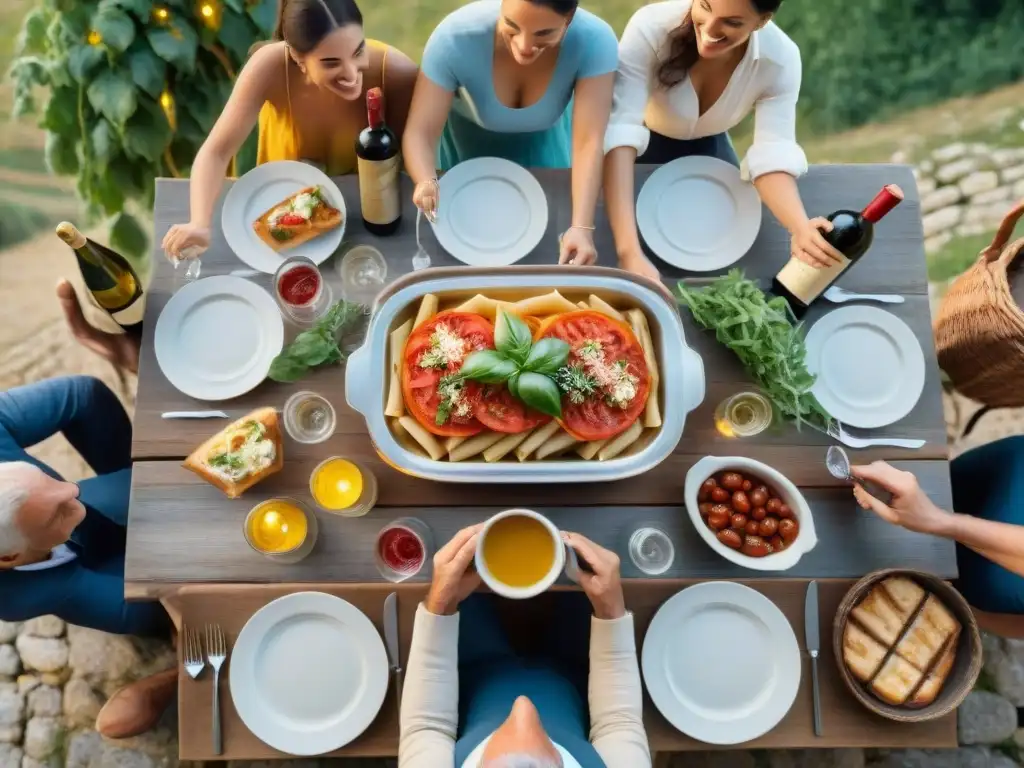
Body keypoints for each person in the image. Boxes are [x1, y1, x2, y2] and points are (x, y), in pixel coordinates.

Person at [602, 0, 843, 281]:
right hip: (638, 145)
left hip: (711, 146)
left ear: (762, 21)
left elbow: (772, 154)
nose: (710, 28)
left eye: (733, 22)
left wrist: (799, 227)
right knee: (620, 239)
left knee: (720, 254)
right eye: (704, 6)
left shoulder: (780, 59)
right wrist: (628, 252)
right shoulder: (650, 27)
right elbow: (620, 130)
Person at [162, 0, 418, 261]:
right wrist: (199, 223)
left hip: (363, 223)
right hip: (276, 210)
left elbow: (408, 163)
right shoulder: (269, 67)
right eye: (331, 63)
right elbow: (216, 152)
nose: (352, 74)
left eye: (358, 51)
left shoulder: (395, 72)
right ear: (297, 57)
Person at [0, 375, 175, 739]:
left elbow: (82, 396)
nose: (72, 495)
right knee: (153, 609)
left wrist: (140, 467)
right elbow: (152, 603)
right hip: (60, 581)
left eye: (57, 488)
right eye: (56, 512)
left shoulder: (66, 497)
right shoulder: (11, 594)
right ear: (9, 556)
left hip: (40, 521)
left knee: (168, 489)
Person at [400, 525, 650, 767]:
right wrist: (610, 610)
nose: (523, 708)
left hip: (479, 669)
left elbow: (428, 726)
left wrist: (442, 604)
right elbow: (617, 723)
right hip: (572, 671)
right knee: (586, 565)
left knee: (462, 570)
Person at [402, 0, 619, 268]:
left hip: (546, 158)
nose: (524, 46)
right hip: (464, 158)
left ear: (570, 17)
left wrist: (582, 227)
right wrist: (425, 180)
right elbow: (419, 132)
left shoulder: (596, 41)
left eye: (544, 34)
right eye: (512, 26)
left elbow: (589, 142)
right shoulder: (454, 39)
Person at [852, 451, 1024, 637]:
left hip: (991, 578)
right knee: (947, 483)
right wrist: (935, 518)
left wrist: (968, 616)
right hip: (1008, 468)